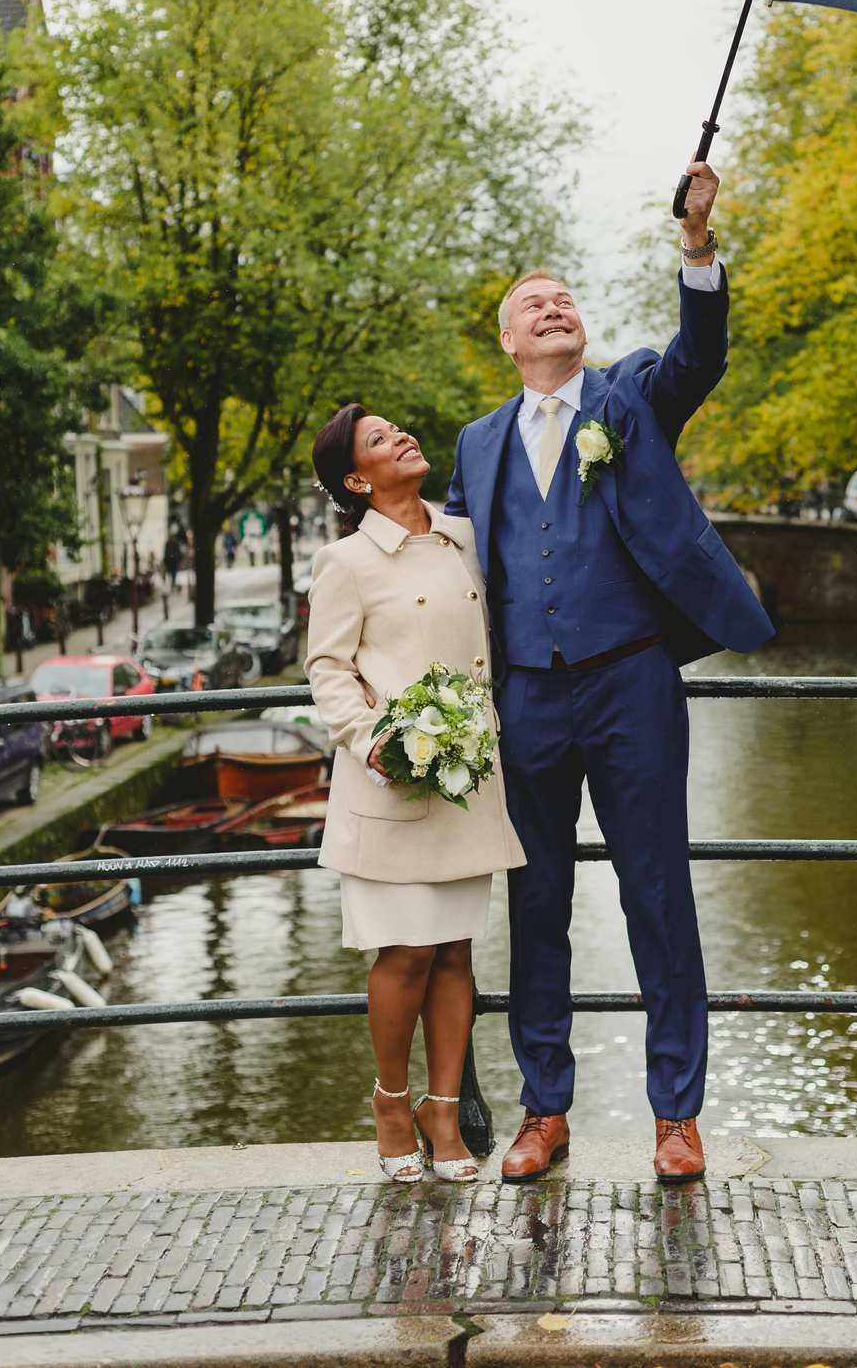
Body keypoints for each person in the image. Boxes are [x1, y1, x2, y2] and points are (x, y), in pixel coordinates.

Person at [445, 158, 774, 1185]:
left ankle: (676, 1113)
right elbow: (454, 567)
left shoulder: (629, 394)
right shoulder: (477, 441)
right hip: (526, 698)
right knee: (536, 904)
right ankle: (545, 1108)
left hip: (631, 682)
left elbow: (701, 355)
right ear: (508, 341)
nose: (552, 306)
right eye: (530, 304)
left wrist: (696, 243)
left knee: (657, 894)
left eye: (563, 296)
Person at [305, 403, 526, 1183]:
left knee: (456, 950)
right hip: (392, 783)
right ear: (357, 479)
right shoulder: (346, 562)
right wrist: (376, 745)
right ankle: (391, 1104)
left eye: (397, 427)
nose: (401, 435)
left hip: (467, 777)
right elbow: (328, 671)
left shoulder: (460, 538)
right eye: (379, 438)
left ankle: (443, 1106)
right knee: (405, 952)